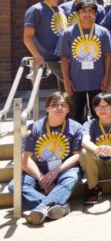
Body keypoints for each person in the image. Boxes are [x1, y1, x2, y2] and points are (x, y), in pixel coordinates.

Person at [18, 93, 82, 225]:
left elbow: (78, 155)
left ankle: (42, 208)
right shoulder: (34, 128)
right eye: (54, 105)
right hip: (39, 170)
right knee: (16, 185)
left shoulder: (76, 127)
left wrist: (56, 171)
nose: (59, 108)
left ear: (68, 109)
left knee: (73, 177)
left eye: (63, 105)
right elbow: (25, 159)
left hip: (64, 169)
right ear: (47, 108)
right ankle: (59, 207)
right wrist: (41, 177)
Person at [57, 0, 111, 123]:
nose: (87, 14)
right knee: (76, 115)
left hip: (97, 80)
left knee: (99, 114)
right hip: (76, 81)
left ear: (95, 14)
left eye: (91, 11)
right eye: (83, 11)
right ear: (77, 13)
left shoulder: (103, 32)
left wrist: (106, 77)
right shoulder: (68, 33)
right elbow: (64, 58)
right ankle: (78, 141)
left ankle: (97, 138)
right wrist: (66, 79)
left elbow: (107, 56)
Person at [79, 93, 111, 204]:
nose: (102, 110)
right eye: (98, 107)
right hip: (99, 166)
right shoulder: (89, 124)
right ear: (94, 109)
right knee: (85, 152)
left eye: (106, 106)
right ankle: (94, 189)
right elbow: (85, 141)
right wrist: (96, 149)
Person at [24, 0, 68, 92]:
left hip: (63, 56)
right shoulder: (36, 9)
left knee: (66, 93)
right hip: (50, 58)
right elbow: (27, 37)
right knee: (73, 84)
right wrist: (38, 57)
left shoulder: (61, 10)